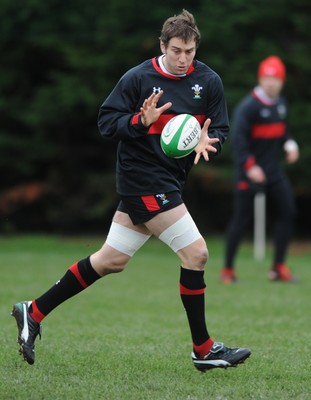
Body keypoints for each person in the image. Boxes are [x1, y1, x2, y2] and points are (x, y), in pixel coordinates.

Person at [12, 9, 251, 371]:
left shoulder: (209, 81)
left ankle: (34, 310)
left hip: (170, 180)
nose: (184, 59)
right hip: (142, 178)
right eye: (176, 51)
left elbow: (220, 128)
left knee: (111, 261)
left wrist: (210, 139)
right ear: (162, 46)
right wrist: (141, 120)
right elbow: (107, 123)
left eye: (189, 51)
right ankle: (203, 349)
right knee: (197, 254)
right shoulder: (138, 78)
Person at [221, 55, 299, 284]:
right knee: (241, 219)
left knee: (288, 211)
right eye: (267, 78)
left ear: (282, 81)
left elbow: (282, 130)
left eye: (275, 79)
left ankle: (278, 268)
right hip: (249, 171)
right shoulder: (249, 106)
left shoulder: (281, 104)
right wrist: (250, 166)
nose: (271, 83)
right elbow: (237, 140)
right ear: (260, 79)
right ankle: (227, 270)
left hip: (272, 170)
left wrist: (290, 143)